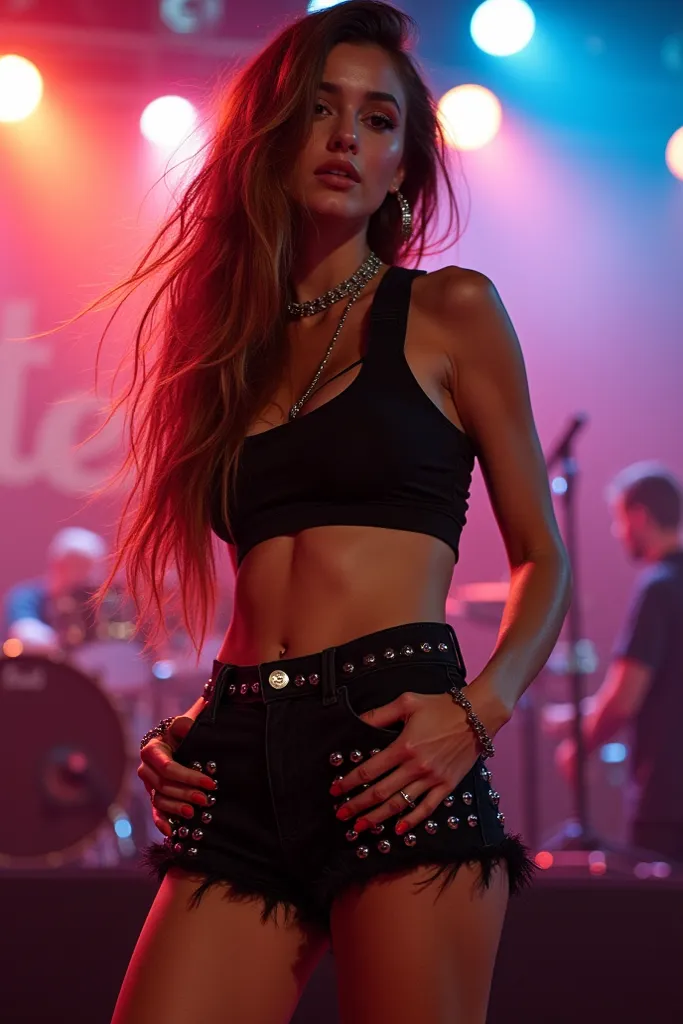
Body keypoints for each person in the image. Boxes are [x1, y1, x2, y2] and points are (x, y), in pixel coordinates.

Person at [105, 4, 570, 1022]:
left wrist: (477, 714)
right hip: (235, 744)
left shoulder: (451, 310)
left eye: (375, 118)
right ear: (273, 140)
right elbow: (269, 580)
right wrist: (196, 719)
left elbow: (543, 556)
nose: (345, 136)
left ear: (404, 166)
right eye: (319, 111)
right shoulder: (223, 353)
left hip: (396, 736)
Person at [554, 463, 683, 862]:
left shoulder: (658, 587)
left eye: (620, 520)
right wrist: (575, 716)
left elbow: (625, 698)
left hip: (668, 799)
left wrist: (579, 745)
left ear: (640, 516)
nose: (618, 532)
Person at [4, 526, 107, 653]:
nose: (88, 576)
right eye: (79, 566)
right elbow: (24, 633)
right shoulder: (26, 596)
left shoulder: (93, 603)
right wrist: (64, 642)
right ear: (57, 564)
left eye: (91, 568)